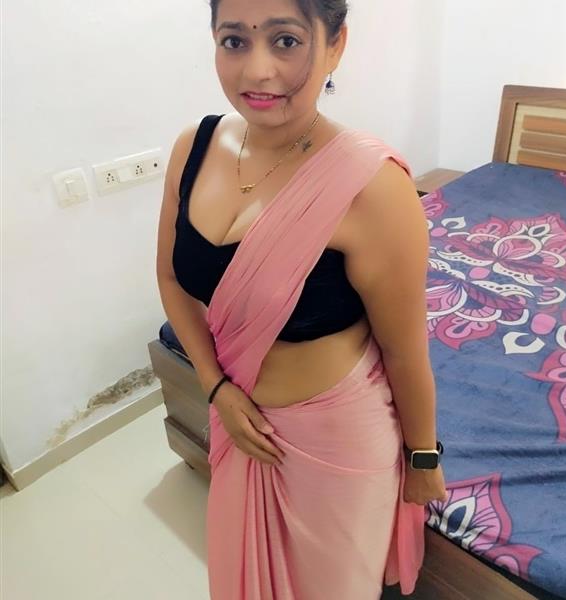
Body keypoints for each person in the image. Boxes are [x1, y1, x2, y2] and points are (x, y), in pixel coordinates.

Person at [155, 0, 448, 598]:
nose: (257, 70)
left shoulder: (375, 188)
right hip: (239, 426)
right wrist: (215, 387)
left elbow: (404, 350)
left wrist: (423, 461)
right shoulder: (194, 147)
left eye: (286, 41)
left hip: (335, 447)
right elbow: (171, 279)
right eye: (234, 41)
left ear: (335, 45)